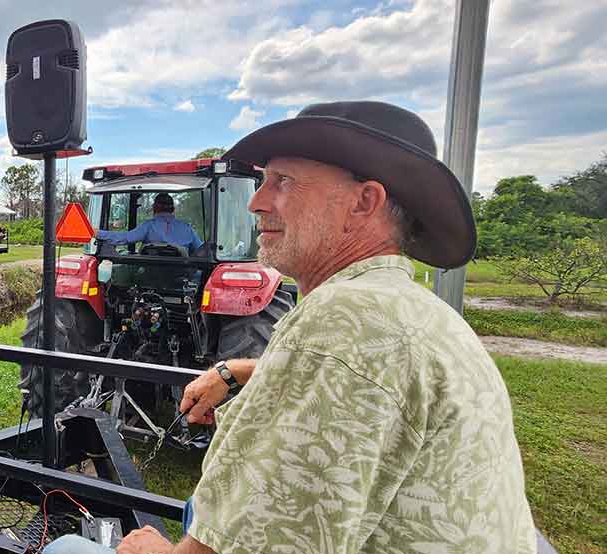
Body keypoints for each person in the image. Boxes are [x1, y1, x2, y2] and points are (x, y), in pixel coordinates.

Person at [44, 102, 536, 553]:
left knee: (66, 549)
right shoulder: (405, 311)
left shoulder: (342, 327)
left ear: (364, 202)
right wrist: (245, 368)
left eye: (283, 181)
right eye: (263, 182)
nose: (257, 202)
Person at [94, 192, 203, 253]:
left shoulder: (148, 226)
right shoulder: (187, 228)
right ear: (173, 209)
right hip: (183, 280)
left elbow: (125, 238)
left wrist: (98, 233)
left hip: (148, 278)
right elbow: (201, 251)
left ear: (154, 208)